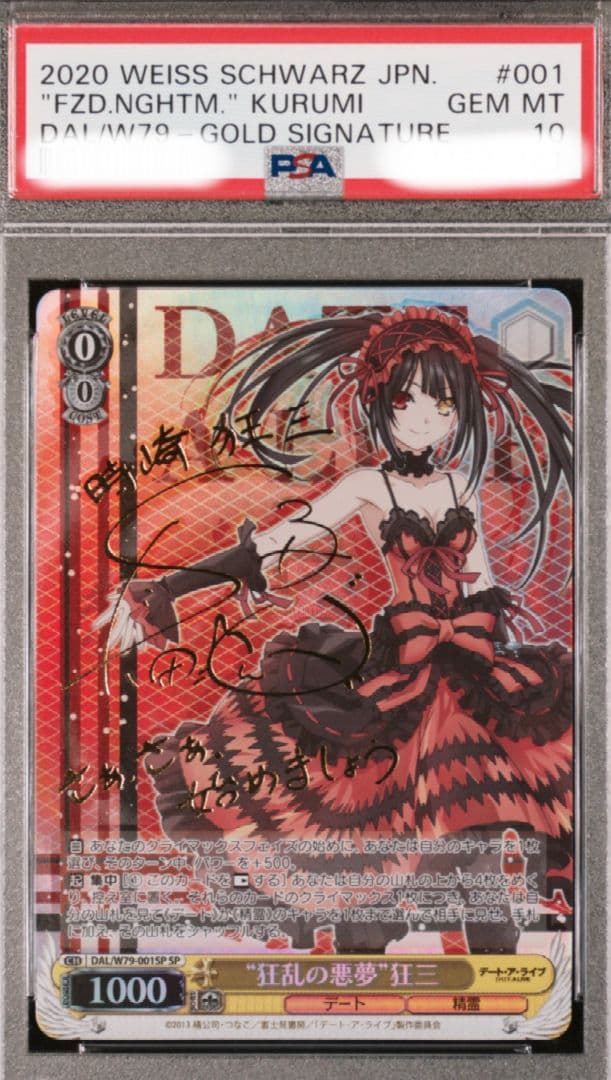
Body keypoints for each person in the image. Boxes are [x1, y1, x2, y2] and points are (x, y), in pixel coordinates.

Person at [102, 305, 573, 954]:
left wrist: (499, 654)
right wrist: (168, 588)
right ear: (378, 399)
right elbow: (278, 542)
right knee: (365, 823)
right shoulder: (367, 484)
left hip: (467, 670)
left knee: (487, 825)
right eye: (407, 400)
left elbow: (481, 577)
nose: (425, 417)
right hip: (400, 672)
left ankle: (499, 971)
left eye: (442, 403)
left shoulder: (460, 483)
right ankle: (363, 960)